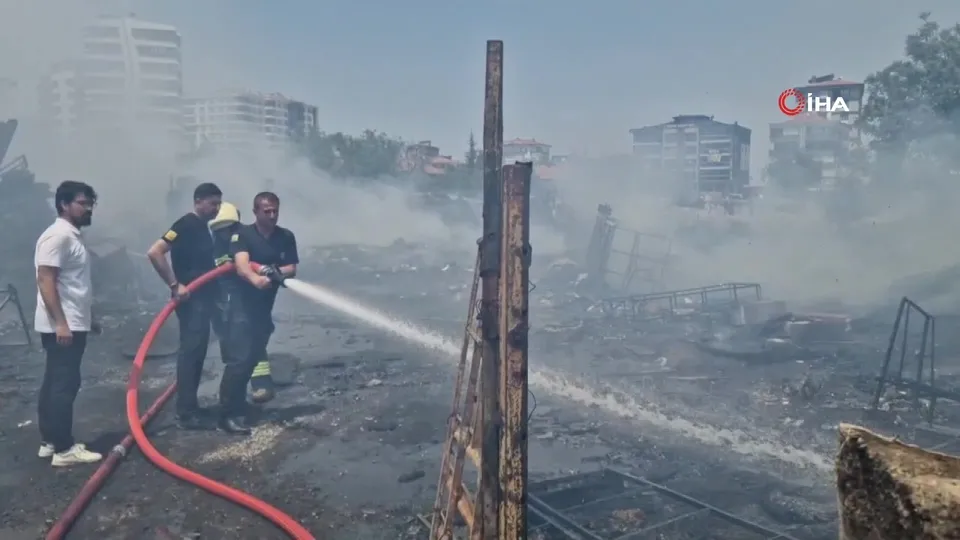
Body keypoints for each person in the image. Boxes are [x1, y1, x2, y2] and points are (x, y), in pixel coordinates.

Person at [35, 180, 103, 467]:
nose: (88, 208)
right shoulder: (58, 236)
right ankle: (64, 449)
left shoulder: (70, 236)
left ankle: (50, 441)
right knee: (65, 383)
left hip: (72, 320)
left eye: (90, 203)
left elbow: (73, 284)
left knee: (54, 380)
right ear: (64, 204)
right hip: (63, 324)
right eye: (82, 203)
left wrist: (90, 318)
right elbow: (45, 279)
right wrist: (61, 323)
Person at [219, 191, 298, 434]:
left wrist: (277, 272)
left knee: (253, 358)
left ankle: (240, 404)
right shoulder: (242, 234)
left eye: (275, 210)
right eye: (267, 211)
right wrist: (256, 278)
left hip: (264, 309)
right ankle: (228, 415)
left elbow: (291, 268)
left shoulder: (285, 236)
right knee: (239, 360)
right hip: (241, 307)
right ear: (256, 212)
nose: (272, 215)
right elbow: (242, 264)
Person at [146, 182, 222, 430]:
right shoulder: (186, 224)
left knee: (198, 351)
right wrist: (174, 285)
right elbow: (155, 252)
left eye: (218, 204)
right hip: (192, 301)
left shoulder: (203, 227)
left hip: (204, 298)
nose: (216, 209)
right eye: (213, 203)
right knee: (190, 353)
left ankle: (191, 407)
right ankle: (186, 412)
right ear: (198, 201)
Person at [209, 201, 276, 404]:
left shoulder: (247, 239)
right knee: (231, 349)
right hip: (221, 304)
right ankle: (234, 393)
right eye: (220, 231)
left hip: (246, 301)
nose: (224, 234)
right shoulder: (213, 247)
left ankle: (262, 384)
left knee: (254, 343)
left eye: (228, 229)